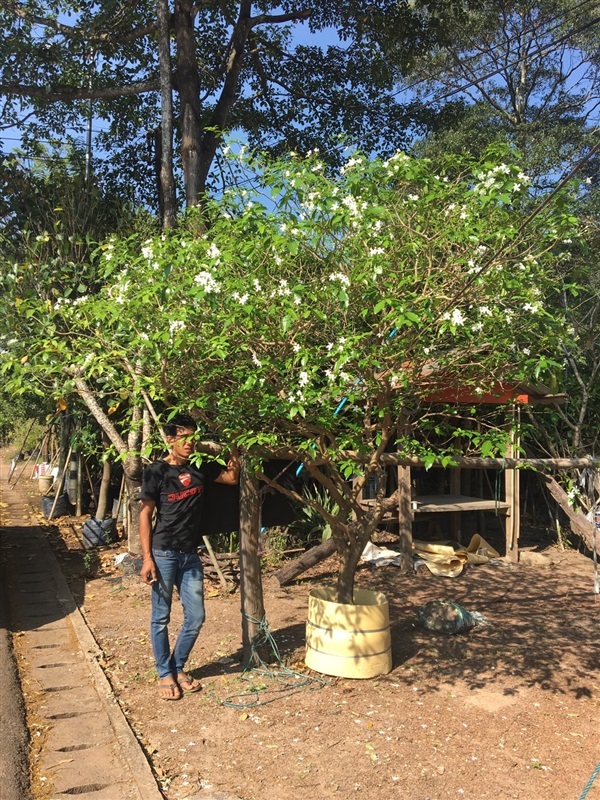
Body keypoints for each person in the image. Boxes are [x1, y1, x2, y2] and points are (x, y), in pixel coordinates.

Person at [139, 413, 239, 700]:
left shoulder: (200, 469)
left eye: (193, 437)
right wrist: (147, 558)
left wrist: (234, 445)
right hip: (163, 553)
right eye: (183, 438)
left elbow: (232, 477)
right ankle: (165, 674)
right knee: (161, 617)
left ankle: (177, 666)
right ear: (170, 440)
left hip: (190, 555)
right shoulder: (156, 471)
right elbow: (145, 514)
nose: (190, 443)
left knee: (196, 617)